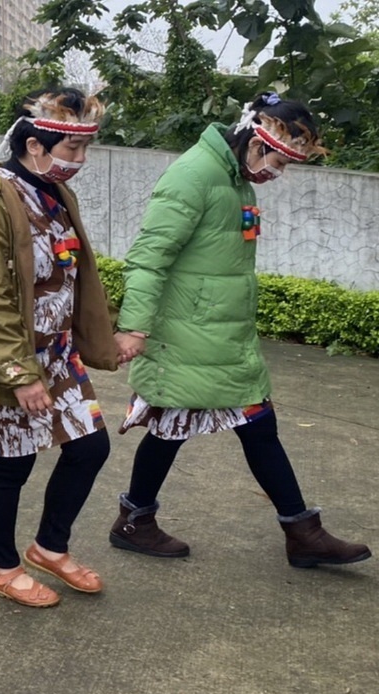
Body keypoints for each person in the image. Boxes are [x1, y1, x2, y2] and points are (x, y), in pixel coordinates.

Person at [109, 92, 372, 569]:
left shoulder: (235, 178)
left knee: (225, 425)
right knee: (212, 425)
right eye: (279, 160)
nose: (279, 172)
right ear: (255, 142)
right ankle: (296, 532)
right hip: (186, 335)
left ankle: (296, 531)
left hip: (217, 335)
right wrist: (133, 327)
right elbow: (150, 255)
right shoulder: (195, 175)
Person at [0, 88, 120, 609]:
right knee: (12, 464)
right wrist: (19, 374)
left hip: (57, 353)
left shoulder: (51, 192)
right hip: (6, 360)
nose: (80, 162)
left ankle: (49, 546)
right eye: (72, 151)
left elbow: (73, 271)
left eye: (83, 150)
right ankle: (3, 567)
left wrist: (103, 336)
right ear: (33, 145)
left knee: (90, 446)